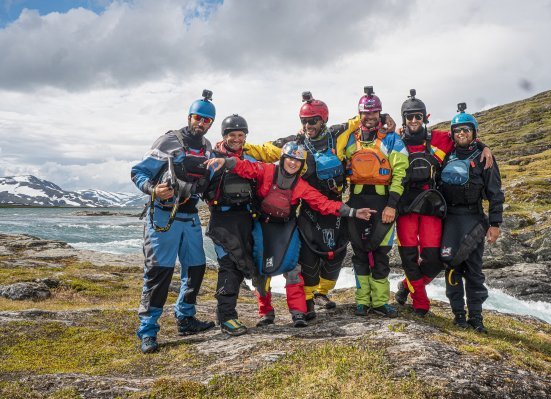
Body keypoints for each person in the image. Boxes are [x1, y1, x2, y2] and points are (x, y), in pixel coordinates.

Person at [243, 92, 396, 320]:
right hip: (309, 206)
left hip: (334, 204)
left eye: (313, 120)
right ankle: (307, 298)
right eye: (304, 121)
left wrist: (383, 116)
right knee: (308, 256)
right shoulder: (295, 144)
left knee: (336, 253)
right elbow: (266, 150)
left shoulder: (338, 134)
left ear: (322, 120)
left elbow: (362, 118)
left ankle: (321, 292)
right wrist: (239, 145)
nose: (308, 125)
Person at [206, 142, 375, 327]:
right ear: (283, 159)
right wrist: (227, 162)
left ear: (302, 165)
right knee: (260, 272)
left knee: (293, 269)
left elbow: (323, 203)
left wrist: (352, 212)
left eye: (297, 161)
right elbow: (248, 168)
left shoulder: (300, 185)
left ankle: (298, 313)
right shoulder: (268, 171)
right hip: (262, 225)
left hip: (286, 227)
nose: (293, 164)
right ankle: (265, 313)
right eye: (290, 159)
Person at [131, 91, 216, 354]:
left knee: (197, 268)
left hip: (190, 217)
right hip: (162, 216)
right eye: (197, 117)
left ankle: (186, 318)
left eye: (206, 120)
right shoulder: (168, 141)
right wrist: (153, 190)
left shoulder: (208, 147)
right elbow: (138, 171)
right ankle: (148, 331)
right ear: (189, 116)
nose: (201, 123)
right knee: (159, 274)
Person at [394, 89, 493, 317]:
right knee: (409, 258)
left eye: (418, 116)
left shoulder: (439, 139)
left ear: (425, 117)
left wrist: (483, 146)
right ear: (404, 119)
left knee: (435, 259)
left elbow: (465, 136)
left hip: (430, 207)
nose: (414, 120)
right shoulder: (395, 141)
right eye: (409, 117)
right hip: (405, 208)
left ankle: (405, 286)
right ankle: (421, 303)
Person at [338, 86, 409, 317]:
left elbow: (400, 173)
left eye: (374, 113)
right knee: (359, 253)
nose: (369, 118)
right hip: (356, 199)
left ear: (380, 113)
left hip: (383, 202)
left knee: (381, 254)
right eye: (365, 114)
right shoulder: (349, 138)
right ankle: (362, 302)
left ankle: (379, 302)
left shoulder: (392, 140)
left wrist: (392, 205)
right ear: (359, 115)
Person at [439, 103, 504, 333]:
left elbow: (495, 193)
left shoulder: (484, 158)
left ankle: (476, 318)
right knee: (451, 267)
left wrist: (495, 224)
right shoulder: (445, 156)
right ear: (453, 134)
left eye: (466, 130)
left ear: (474, 132)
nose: (462, 134)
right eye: (458, 130)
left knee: (474, 271)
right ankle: (458, 315)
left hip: (475, 219)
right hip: (450, 221)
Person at [204, 114, 258, 336]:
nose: (236, 139)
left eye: (240, 135)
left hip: (246, 219)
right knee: (229, 265)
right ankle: (226, 317)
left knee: (243, 264)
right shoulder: (212, 158)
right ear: (224, 136)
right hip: (222, 220)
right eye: (231, 135)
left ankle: (228, 315)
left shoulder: (251, 160)